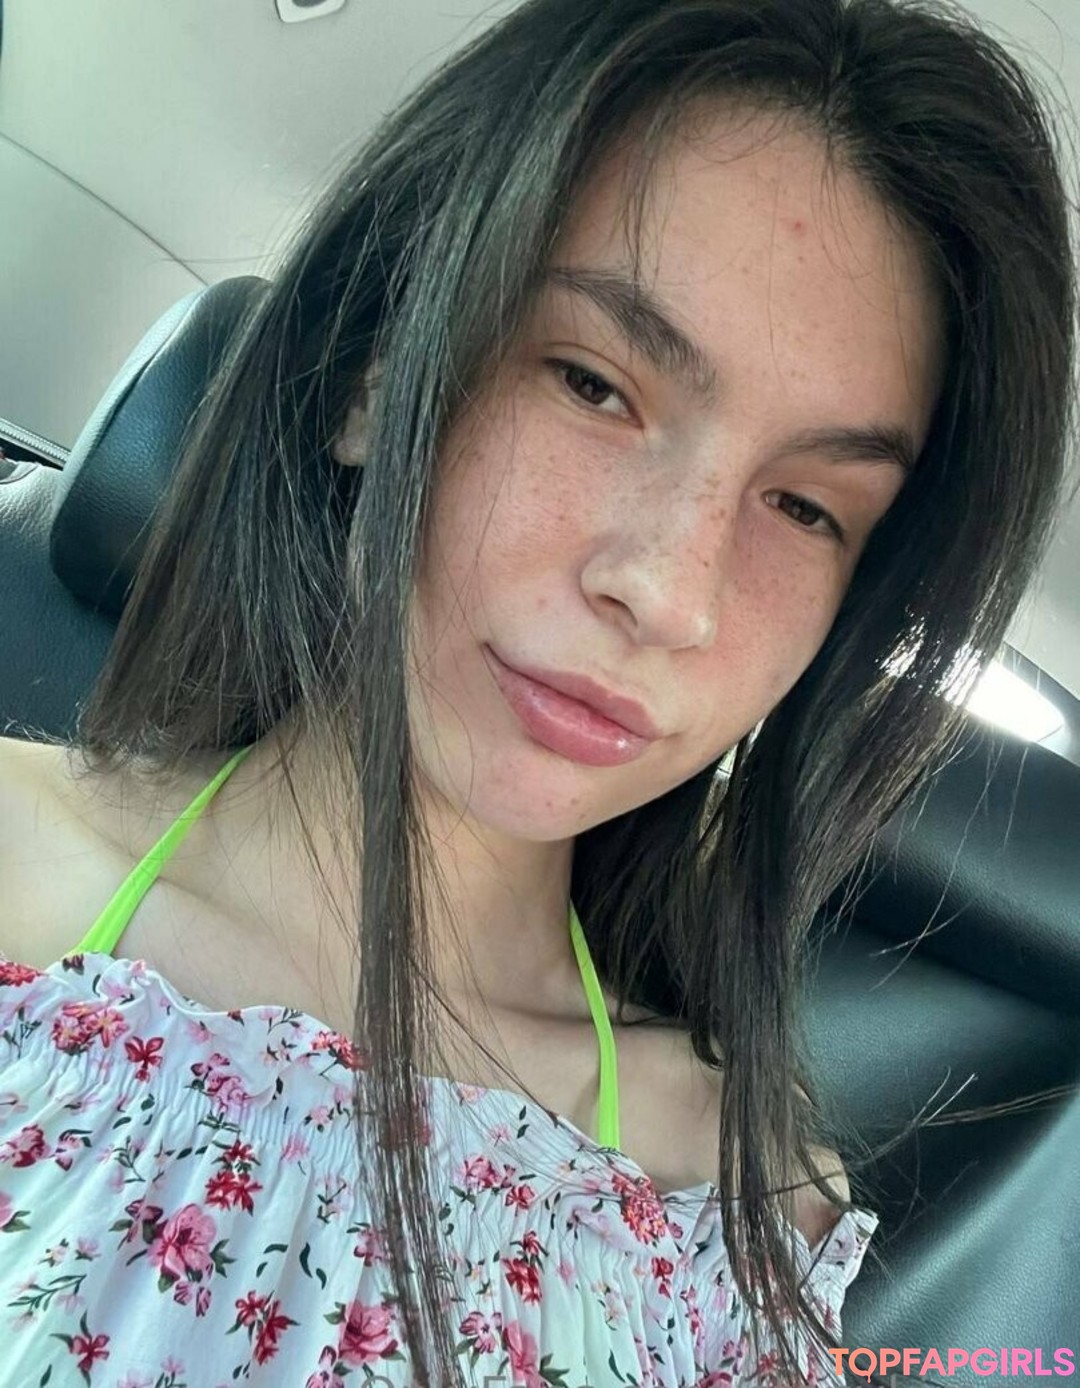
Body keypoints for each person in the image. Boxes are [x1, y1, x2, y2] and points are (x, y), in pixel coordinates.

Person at [0, 0, 1075, 1383]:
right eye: (591, 383)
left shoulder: (735, 1206)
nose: (672, 593)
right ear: (369, 384)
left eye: (807, 508)